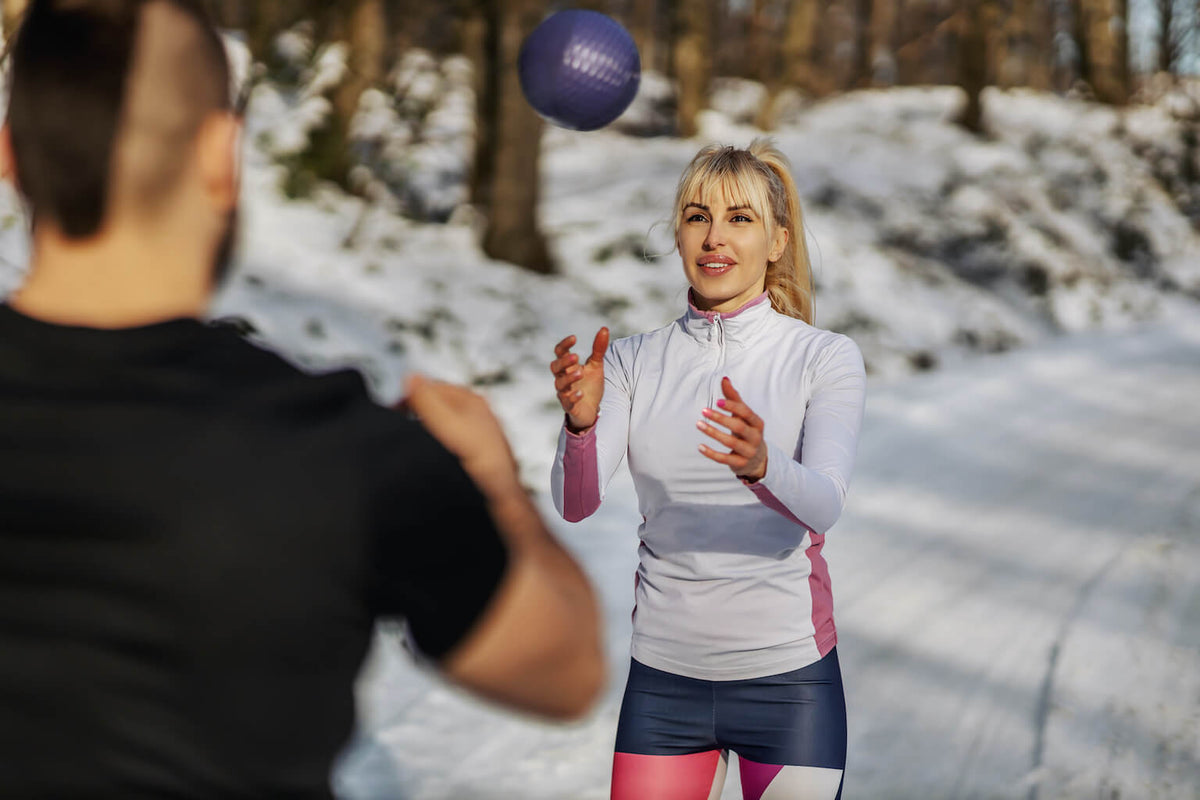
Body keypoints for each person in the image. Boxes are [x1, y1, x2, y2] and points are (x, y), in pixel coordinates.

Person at [0, 1, 603, 797]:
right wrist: (495, 488)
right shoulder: (345, 457)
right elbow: (567, 670)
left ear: (11, 156)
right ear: (221, 154)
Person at [550, 140, 866, 800]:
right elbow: (576, 502)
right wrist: (580, 426)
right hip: (663, 686)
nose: (714, 237)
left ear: (777, 240)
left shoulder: (822, 358)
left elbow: (824, 503)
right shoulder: (634, 361)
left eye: (740, 219)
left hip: (789, 683)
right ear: (678, 233)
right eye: (697, 217)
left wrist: (763, 465)